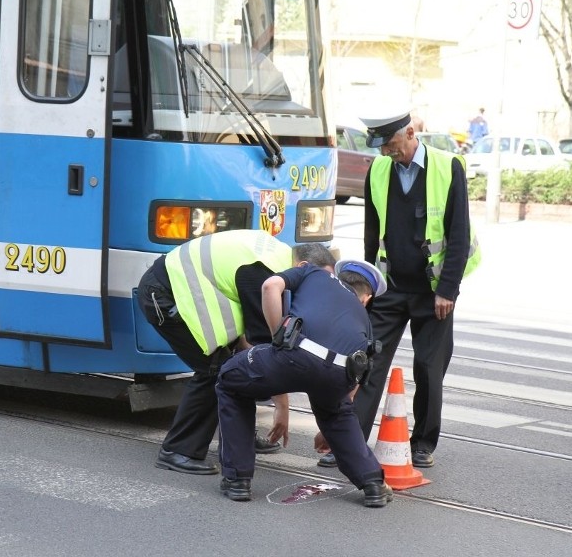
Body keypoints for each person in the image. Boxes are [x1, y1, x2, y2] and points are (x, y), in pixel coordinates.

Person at [317, 107, 481, 470]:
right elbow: (371, 233)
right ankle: (350, 442)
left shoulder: (447, 166)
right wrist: (365, 285)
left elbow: (458, 234)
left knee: (428, 368)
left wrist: (448, 291)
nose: (386, 152)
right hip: (389, 287)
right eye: (381, 146)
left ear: (410, 133)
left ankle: (422, 443)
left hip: (433, 289)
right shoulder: (378, 169)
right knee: (367, 363)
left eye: (391, 144)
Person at [137, 230, 333, 474]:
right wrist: (282, 406)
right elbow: (264, 348)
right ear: (303, 265)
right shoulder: (264, 272)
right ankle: (178, 450)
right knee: (215, 371)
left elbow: (253, 345)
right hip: (166, 296)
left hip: (180, 290)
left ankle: (239, 438)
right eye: (318, 282)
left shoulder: (278, 260)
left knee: (237, 366)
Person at [216, 254, 392, 507]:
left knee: (231, 380)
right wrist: (331, 422)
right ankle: (373, 483)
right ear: (366, 297)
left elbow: (269, 286)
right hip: (338, 375)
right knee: (338, 412)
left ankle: (237, 480)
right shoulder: (364, 319)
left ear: (338, 276)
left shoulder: (313, 273)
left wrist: (278, 338)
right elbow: (358, 377)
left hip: (294, 357)